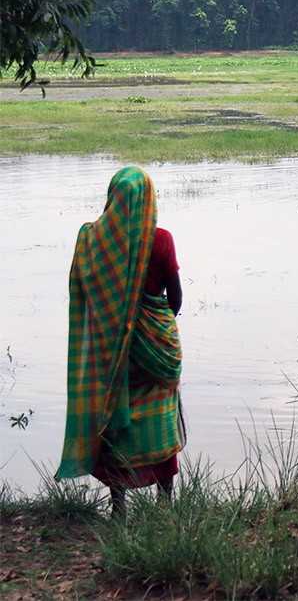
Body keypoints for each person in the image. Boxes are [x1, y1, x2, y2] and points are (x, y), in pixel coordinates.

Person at [56, 166, 185, 518]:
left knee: (117, 415)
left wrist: (123, 323)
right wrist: (153, 322)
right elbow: (175, 299)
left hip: (114, 347)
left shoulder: (93, 244)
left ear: (113, 199)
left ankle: (118, 507)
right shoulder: (161, 240)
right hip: (157, 345)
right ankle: (166, 502)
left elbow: (88, 296)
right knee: (160, 417)